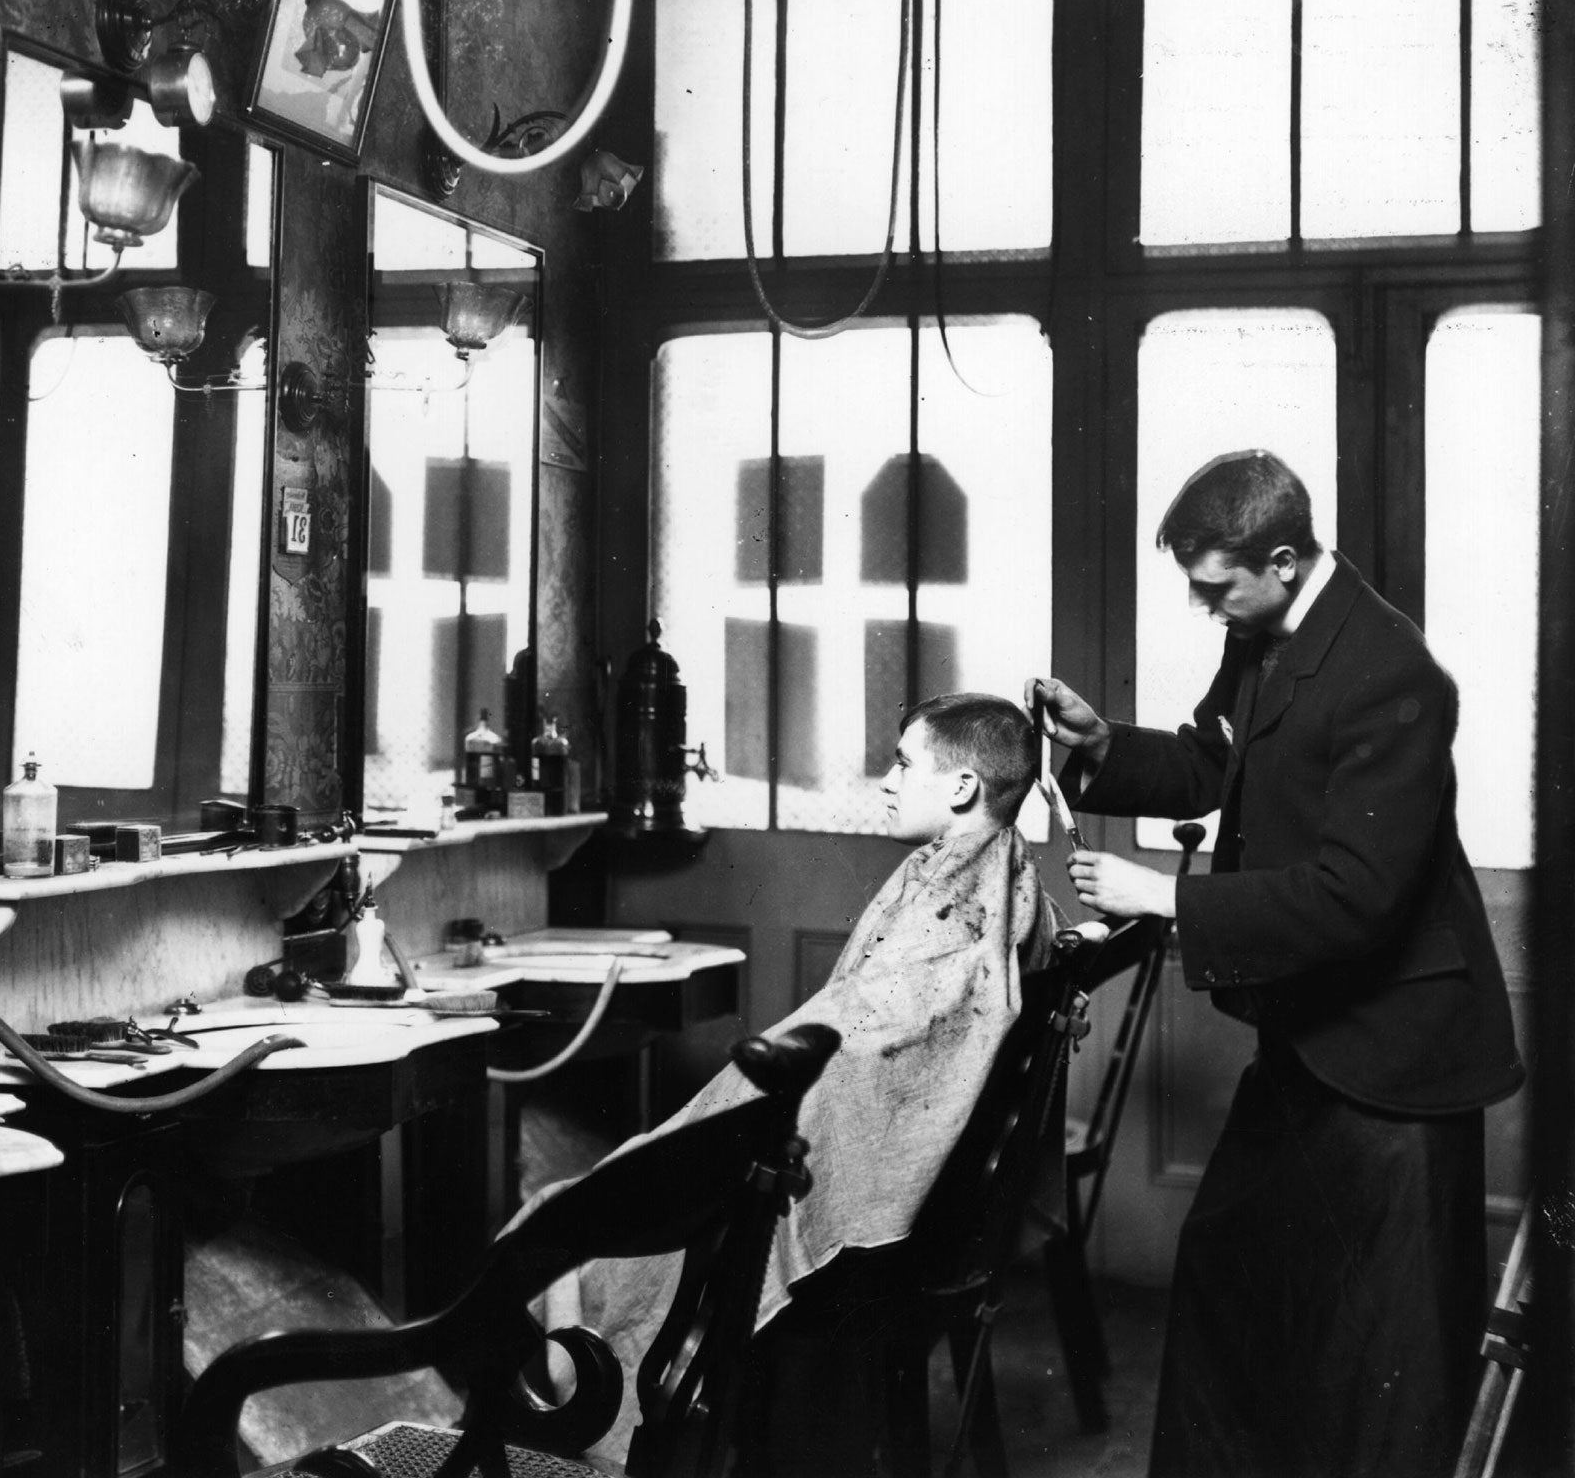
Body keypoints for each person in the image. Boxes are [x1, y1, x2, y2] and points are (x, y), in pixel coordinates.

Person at [1025, 449, 1523, 1478]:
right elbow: (1215, 760)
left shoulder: (1393, 674)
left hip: (1397, 1058)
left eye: (1216, 587)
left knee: (1387, 1355)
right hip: (1312, 1038)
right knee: (1229, 1270)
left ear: (1284, 560)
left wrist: (1163, 895)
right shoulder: (1266, 634)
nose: (1207, 609)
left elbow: (1356, 894)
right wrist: (1096, 745)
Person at [525, 691, 1057, 1461]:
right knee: (620, 1186)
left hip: (899, 1240)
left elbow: (866, 1068)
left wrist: (730, 1129)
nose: (886, 780)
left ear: (963, 788)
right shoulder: (992, 885)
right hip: (949, 1207)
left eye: (904, 764)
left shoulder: (955, 934)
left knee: (602, 1212)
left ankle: (584, 1399)